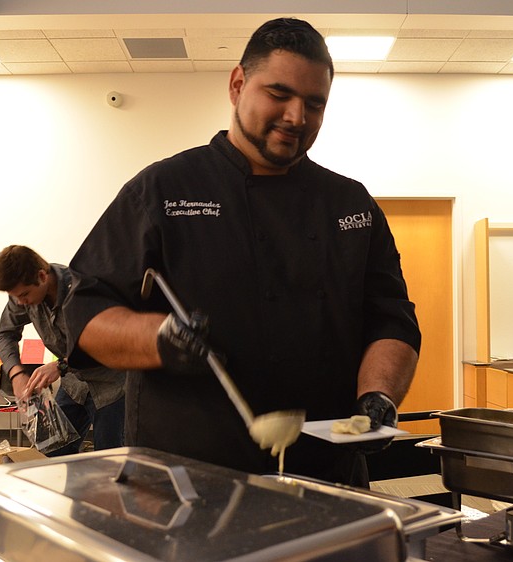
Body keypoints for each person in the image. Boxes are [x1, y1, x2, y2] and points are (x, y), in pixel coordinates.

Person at [63, 17, 420, 487]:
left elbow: (392, 319)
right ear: (237, 84)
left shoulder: (350, 204)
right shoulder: (163, 190)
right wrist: (159, 338)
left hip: (326, 478)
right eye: (279, 94)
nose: (297, 116)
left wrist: (380, 396)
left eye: (315, 104)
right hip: (185, 483)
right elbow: (84, 313)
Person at [0, 245, 126, 456]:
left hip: (112, 387)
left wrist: (62, 365)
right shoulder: (22, 295)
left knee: (110, 463)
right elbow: (5, 335)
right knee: (51, 454)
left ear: (42, 276)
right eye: (15, 297)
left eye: (24, 295)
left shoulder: (84, 289)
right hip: (73, 386)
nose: (20, 302)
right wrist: (16, 374)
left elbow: (111, 343)